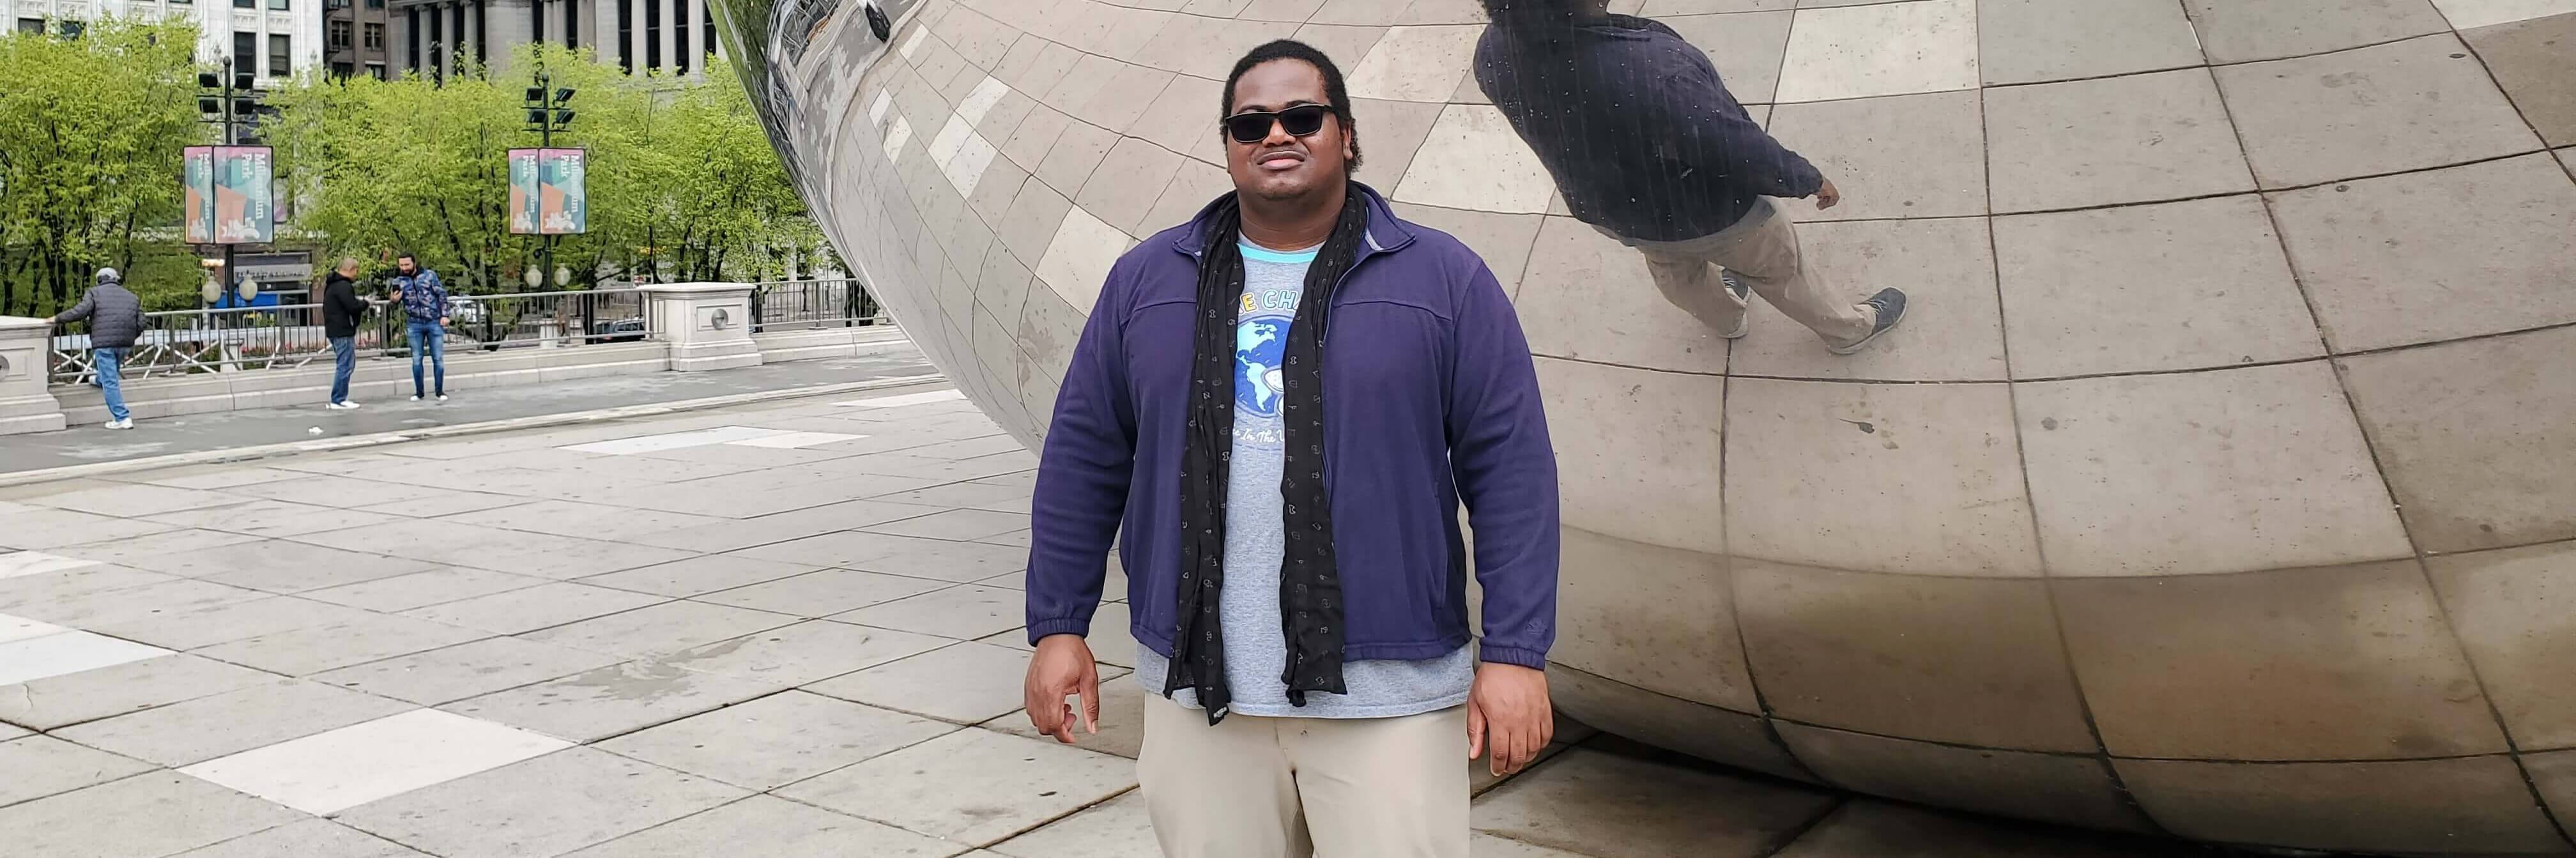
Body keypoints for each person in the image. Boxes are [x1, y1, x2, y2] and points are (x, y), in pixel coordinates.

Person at [1022, 40, 1560, 858]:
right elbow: (1084, 458)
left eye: (1302, 116)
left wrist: (1517, 653)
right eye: (1251, 123)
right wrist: (1059, 626)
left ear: (1346, 135)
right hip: (1201, 688)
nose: (1278, 134)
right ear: (1229, 145)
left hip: (1390, 693)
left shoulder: (1443, 281)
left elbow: (1511, 469)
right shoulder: (1147, 281)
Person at [1473, 0, 1906, 353]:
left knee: (1676, 272)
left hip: (1617, 213)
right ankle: (1848, 330)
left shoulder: (1491, 52)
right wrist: (1804, 178)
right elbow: (1735, 146)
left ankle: (1729, 320)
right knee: (1781, 270)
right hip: (1712, 213)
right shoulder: (1654, 71)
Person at [49, 268, 149, 430]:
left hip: (104, 344)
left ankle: (122, 417)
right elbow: (142, 322)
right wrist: (130, 337)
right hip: (125, 343)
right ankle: (98, 380)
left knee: (111, 380)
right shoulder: (132, 296)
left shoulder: (94, 293)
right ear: (116, 279)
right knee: (110, 373)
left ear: (99, 280)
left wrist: (57, 318)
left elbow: (80, 311)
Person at [386, 253, 449, 402]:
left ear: (414, 263)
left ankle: (440, 391)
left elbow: (441, 295)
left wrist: (444, 315)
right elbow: (393, 303)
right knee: (416, 359)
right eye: (401, 265)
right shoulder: (399, 280)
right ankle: (419, 392)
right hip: (414, 323)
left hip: (433, 321)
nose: (404, 268)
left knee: (438, 358)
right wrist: (394, 300)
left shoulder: (429, 276)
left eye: (407, 265)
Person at [322, 258, 371, 410]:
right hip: (342, 330)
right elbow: (352, 306)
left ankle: (339, 398)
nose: (357, 274)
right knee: (345, 364)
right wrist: (366, 303)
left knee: (345, 363)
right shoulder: (343, 286)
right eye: (356, 271)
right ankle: (338, 398)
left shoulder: (332, 285)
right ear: (351, 269)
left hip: (335, 329)